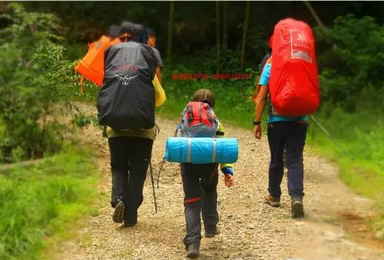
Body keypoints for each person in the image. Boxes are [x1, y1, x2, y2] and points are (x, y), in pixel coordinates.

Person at [106, 22, 166, 227]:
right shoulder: (147, 73)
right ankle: (131, 215)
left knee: (119, 166)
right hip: (142, 129)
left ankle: (118, 198)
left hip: (116, 129)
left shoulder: (113, 63)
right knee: (138, 171)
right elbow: (160, 98)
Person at [175, 89, 235, 258]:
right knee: (209, 189)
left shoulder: (186, 115)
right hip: (209, 164)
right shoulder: (214, 119)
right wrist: (226, 170)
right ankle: (210, 226)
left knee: (192, 201)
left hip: (188, 161)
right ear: (212, 106)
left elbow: (178, 137)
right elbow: (222, 146)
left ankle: (193, 243)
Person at [253, 44, 308, 218]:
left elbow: (261, 97)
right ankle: (296, 197)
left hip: (276, 121)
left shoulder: (271, 67)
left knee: (276, 157)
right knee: (295, 158)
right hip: (300, 120)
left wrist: (256, 122)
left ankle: (274, 195)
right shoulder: (302, 67)